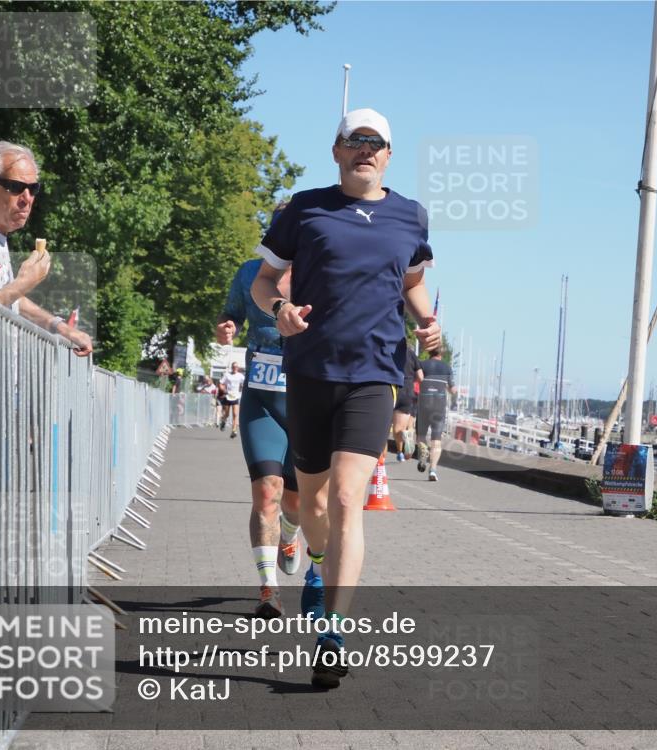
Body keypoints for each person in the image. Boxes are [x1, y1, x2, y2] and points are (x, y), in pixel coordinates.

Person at [250, 108, 440, 689]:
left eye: (375, 143)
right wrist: (278, 309)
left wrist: (429, 322)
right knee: (311, 505)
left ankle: (331, 632)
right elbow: (264, 282)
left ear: (388, 155)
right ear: (336, 151)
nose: (365, 150)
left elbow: (412, 283)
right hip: (309, 372)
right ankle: (313, 565)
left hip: (375, 373)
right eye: (354, 141)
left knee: (349, 500)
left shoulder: (411, 216)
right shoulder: (304, 209)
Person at [0, 140, 92, 356]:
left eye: (33, 189)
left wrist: (59, 327)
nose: (27, 199)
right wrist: (24, 283)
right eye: (15, 187)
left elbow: (5, 298)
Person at [216, 256, 303, 618]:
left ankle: (289, 534)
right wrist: (226, 326)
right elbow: (230, 313)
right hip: (262, 396)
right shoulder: (252, 273)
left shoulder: (325, 271)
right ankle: (269, 589)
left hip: (305, 402)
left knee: (296, 503)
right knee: (267, 490)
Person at [415, 348, 457, 481]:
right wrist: (449, 388)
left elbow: (418, 379)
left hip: (423, 404)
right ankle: (432, 470)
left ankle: (423, 450)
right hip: (439, 406)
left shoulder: (422, 364)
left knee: (421, 436)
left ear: (429, 352)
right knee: (436, 441)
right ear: (441, 354)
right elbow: (453, 390)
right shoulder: (447, 367)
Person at [392, 346, 420, 461]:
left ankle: (399, 452)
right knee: (405, 426)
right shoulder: (412, 354)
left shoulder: (389, 349)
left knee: (395, 427)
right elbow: (421, 376)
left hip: (393, 388)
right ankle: (407, 434)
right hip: (408, 390)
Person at [219, 361, 244, 438]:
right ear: (232, 367)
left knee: (235, 414)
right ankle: (223, 421)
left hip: (236, 396)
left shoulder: (240, 376)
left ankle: (234, 430)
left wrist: (243, 389)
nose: (235, 368)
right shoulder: (227, 375)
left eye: (236, 367)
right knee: (226, 414)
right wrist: (223, 389)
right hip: (228, 396)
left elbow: (245, 384)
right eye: (233, 367)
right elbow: (221, 383)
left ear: (238, 368)